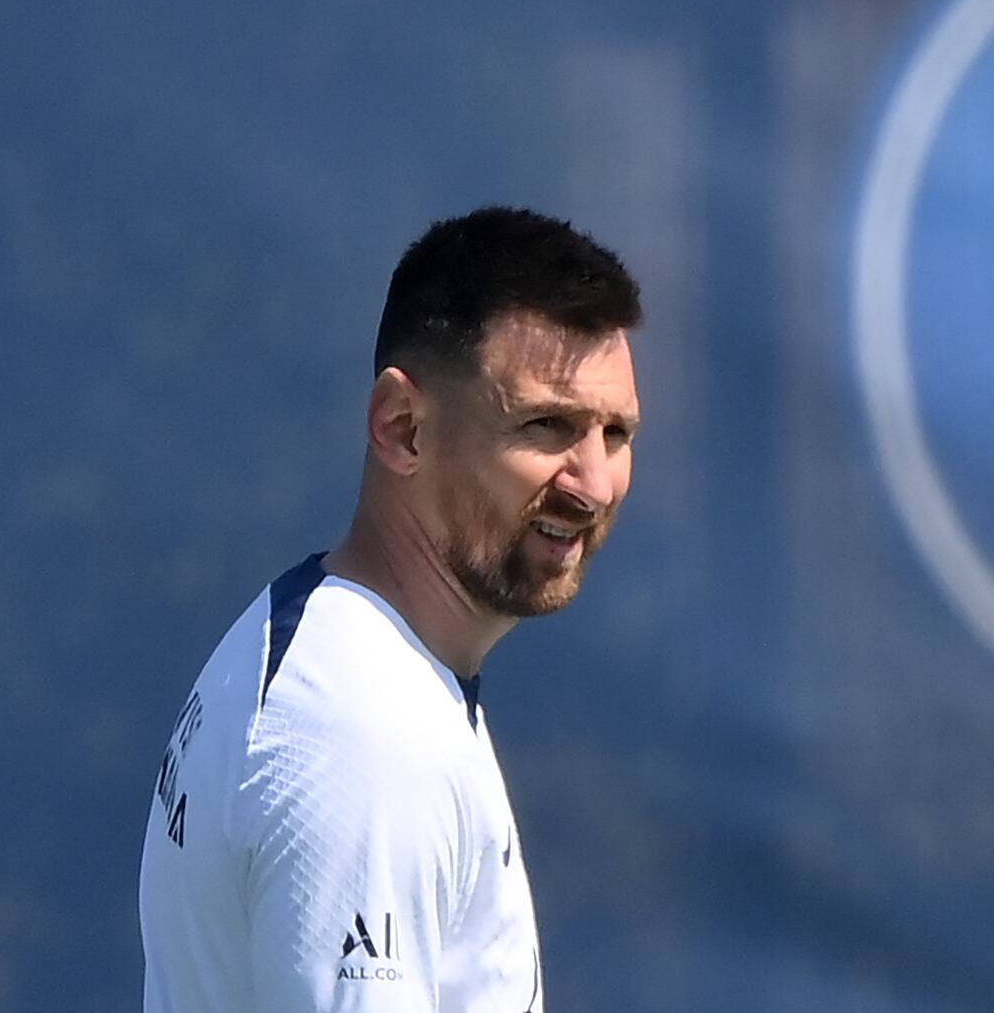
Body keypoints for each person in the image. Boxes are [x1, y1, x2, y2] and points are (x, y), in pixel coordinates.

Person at [139, 206, 643, 1012]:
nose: (593, 482)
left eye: (615, 433)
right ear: (403, 428)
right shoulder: (367, 737)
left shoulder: (332, 654)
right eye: (547, 424)